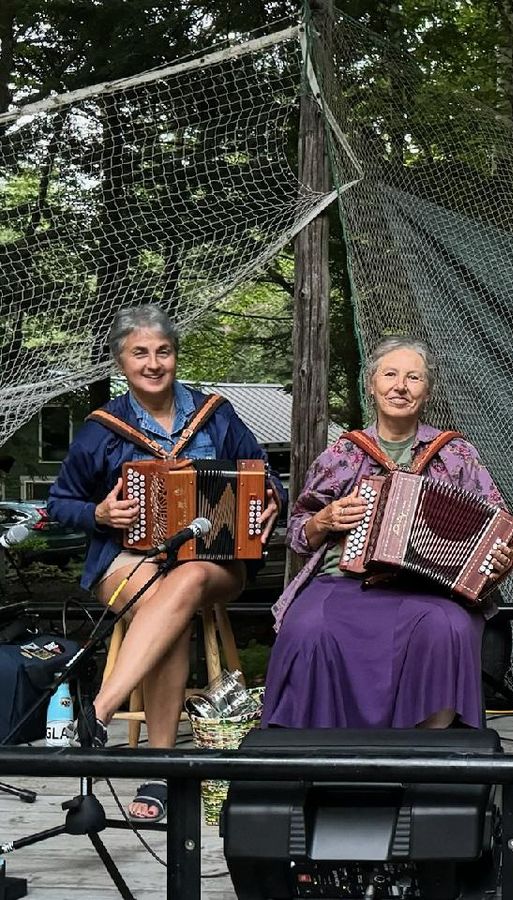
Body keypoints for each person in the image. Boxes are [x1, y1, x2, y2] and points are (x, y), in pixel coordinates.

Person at [48, 303, 283, 821]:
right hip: (127, 558)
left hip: (214, 561)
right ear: (120, 362)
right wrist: (101, 512)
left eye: (163, 351)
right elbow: (59, 503)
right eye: (140, 354)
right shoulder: (101, 427)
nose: (153, 363)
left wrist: (271, 500)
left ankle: (99, 711)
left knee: (188, 575)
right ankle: (161, 765)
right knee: (165, 601)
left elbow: (265, 476)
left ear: (175, 357)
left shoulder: (214, 413)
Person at [262, 337, 513, 730]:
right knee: (308, 627)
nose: (400, 386)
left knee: (447, 627)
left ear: (427, 391)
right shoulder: (342, 454)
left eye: (413, 377)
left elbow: (498, 528)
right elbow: (299, 531)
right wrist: (325, 520)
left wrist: (502, 558)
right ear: (372, 385)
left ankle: (425, 757)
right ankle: (317, 755)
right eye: (390, 374)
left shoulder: (457, 455)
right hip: (343, 582)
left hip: (428, 590)